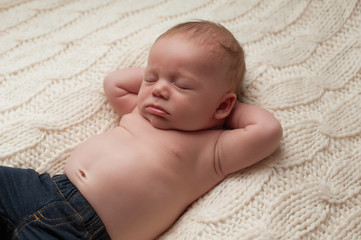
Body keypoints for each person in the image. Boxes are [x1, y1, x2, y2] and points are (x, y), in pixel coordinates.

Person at [0, 20, 282, 240]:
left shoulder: (214, 150)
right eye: (151, 77)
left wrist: (222, 109)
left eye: (181, 84)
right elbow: (115, 83)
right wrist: (161, 78)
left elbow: (267, 130)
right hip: (44, 189)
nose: (159, 89)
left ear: (224, 105)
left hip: (79, 231)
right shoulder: (140, 110)